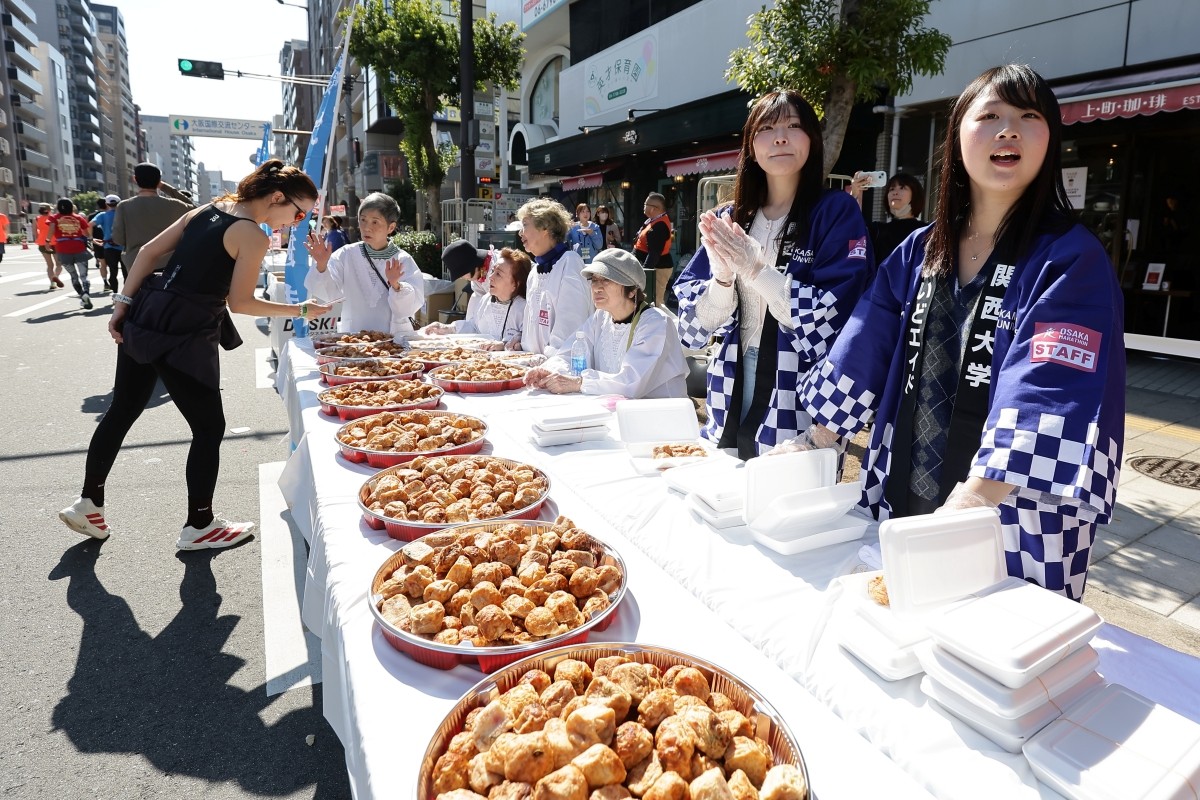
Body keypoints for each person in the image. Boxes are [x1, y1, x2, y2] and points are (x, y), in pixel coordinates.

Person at [795, 65, 1125, 600]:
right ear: (958, 136)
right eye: (989, 115)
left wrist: (972, 502)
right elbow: (865, 343)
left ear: (1051, 138)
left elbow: (1048, 388)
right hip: (907, 488)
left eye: (1028, 116)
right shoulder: (919, 249)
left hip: (1010, 512)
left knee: (988, 655)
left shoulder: (1071, 258)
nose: (1008, 130)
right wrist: (817, 436)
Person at [58, 159, 334, 549]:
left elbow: (150, 253)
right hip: (186, 331)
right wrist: (302, 309)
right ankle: (199, 526)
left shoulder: (207, 208)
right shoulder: (251, 234)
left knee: (122, 410)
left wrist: (123, 304)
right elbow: (240, 303)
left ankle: (88, 502)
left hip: (148, 311)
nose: (297, 221)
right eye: (298, 212)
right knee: (208, 428)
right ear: (276, 197)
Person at [674, 90, 875, 459]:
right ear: (751, 145)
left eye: (793, 126)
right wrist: (721, 279)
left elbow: (835, 316)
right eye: (767, 128)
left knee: (786, 485)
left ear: (812, 140)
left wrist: (757, 270)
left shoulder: (835, 212)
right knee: (727, 475)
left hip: (799, 380)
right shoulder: (731, 217)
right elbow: (694, 328)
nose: (780, 136)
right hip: (731, 369)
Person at [526, 248, 687, 398]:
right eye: (594, 280)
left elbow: (631, 382)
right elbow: (570, 352)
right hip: (617, 413)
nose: (597, 288)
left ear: (632, 290)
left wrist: (579, 383)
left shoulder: (656, 323)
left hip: (659, 419)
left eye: (607, 280)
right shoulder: (601, 317)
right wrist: (549, 370)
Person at [304, 191, 425, 336]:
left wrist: (396, 285)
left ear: (391, 227)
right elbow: (329, 294)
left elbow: (411, 306)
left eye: (375, 222)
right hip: (355, 337)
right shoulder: (346, 254)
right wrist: (322, 265)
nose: (367, 227)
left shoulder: (402, 260)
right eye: (363, 220)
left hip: (393, 339)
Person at [514, 198, 592, 355]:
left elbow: (571, 325)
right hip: (533, 367)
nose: (520, 232)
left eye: (525, 225)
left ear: (545, 228)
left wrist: (549, 363)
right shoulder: (534, 271)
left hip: (559, 369)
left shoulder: (570, 262)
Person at [424, 247, 531, 346]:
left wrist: (506, 344)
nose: (491, 276)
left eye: (498, 274)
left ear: (515, 284)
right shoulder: (485, 300)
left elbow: (527, 341)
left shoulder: (524, 309)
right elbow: (474, 326)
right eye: (492, 271)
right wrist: (449, 328)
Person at [112, 162, 194, 285]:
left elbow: (118, 239)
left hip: (137, 262)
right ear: (159, 181)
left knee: (138, 299)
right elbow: (195, 208)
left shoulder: (124, 206)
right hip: (170, 262)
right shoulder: (175, 205)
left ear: (135, 179)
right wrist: (165, 187)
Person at [847, 172, 926, 261]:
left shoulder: (927, 232)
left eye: (902, 188)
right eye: (891, 189)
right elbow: (848, 229)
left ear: (915, 194)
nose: (895, 193)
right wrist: (853, 195)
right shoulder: (876, 231)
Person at [48, 198, 96, 310]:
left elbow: (51, 230)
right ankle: (86, 294)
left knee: (73, 276)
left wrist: (47, 242)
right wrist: (89, 239)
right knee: (84, 275)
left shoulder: (54, 218)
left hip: (63, 249)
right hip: (79, 248)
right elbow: (87, 233)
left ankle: (82, 295)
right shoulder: (78, 217)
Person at [634, 193, 674, 307]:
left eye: (645, 204)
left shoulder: (660, 225)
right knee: (650, 302)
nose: (644, 206)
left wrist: (645, 272)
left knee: (655, 302)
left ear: (653, 208)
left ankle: (664, 324)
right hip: (654, 267)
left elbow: (654, 253)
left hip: (658, 268)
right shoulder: (653, 220)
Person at [91, 194, 124, 294]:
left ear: (107, 204)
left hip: (109, 247)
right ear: (119, 203)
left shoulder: (102, 215)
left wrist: (91, 238)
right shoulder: (124, 214)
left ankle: (114, 293)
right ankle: (128, 296)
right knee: (127, 272)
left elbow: (89, 225)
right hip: (125, 247)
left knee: (113, 272)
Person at [36, 204, 64, 290]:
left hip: (42, 242)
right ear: (48, 210)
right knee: (58, 263)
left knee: (49, 265)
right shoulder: (53, 218)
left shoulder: (36, 218)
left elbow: (35, 231)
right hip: (55, 242)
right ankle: (55, 278)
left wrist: (39, 238)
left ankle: (52, 283)